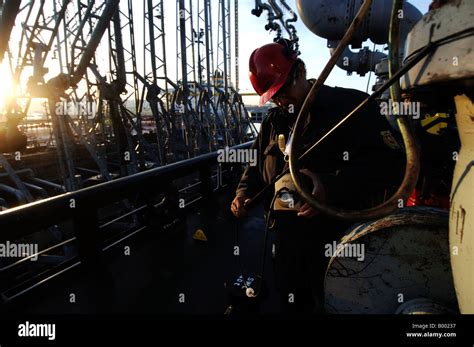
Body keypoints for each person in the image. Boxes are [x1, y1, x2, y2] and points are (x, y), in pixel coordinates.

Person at [230, 40, 405, 314]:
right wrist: (243, 193)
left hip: (337, 239)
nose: (280, 101)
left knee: (336, 304)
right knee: (293, 302)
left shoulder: (350, 107)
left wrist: (332, 187)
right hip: (286, 241)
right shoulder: (273, 121)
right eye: (273, 97)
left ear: (299, 72)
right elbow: (254, 166)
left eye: (282, 91)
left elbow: (389, 164)